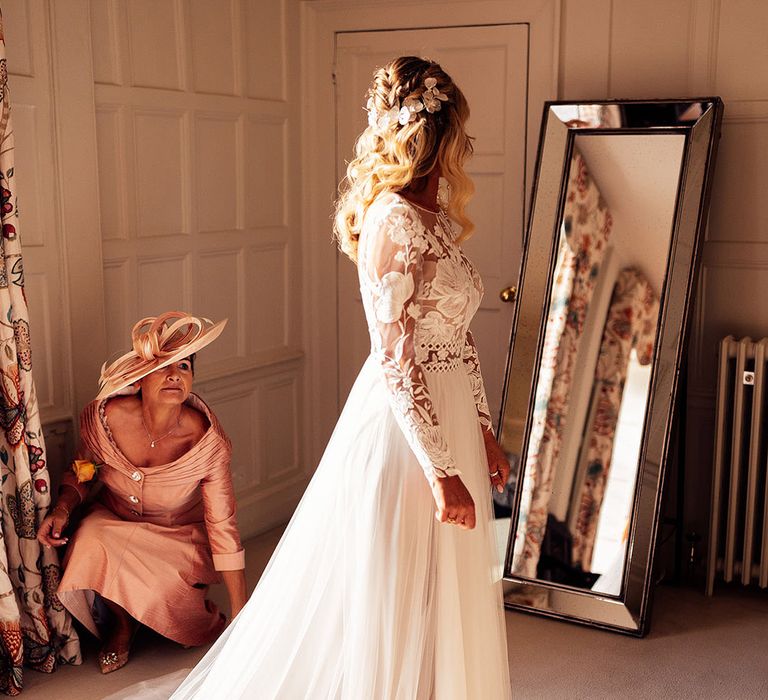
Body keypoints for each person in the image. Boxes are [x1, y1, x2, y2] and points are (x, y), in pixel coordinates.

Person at [124, 55, 512, 699]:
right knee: (387, 590)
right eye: (459, 133)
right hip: (403, 431)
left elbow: (461, 342)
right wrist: (440, 470)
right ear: (430, 137)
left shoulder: (439, 222)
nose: (466, 147)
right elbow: (395, 359)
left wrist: (484, 431)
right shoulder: (391, 219)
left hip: (450, 422)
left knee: (446, 590)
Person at [37, 312, 246, 674]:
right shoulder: (106, 417)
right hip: (113, 521)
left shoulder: (207, 443)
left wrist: (243, 614)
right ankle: (121, 624)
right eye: (163, 366)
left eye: (184, 366)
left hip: (177, 534)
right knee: (90, 538)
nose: (175, 375)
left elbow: (223, 525)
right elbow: (81, 472)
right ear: (140, 376)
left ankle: (178, 606)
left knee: (181, 617)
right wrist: (62, 509)